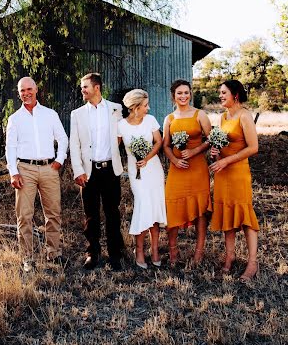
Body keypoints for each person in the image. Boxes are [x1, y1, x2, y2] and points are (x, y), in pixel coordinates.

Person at [6, 77, 68, 270]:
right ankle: (27, 258)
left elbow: (63, 138)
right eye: (22, 90)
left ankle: (54, 252)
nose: (26, 93)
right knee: (24, 215)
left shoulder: (50, 114)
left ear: (36, 89)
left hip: (49, 168)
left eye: (29, 89)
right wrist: (13, 173)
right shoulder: (14, 119)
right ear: (19, 93)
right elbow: (10, 148)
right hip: (25, 170)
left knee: (53, 213)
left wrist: (59, 160)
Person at [70, 73, 124, 271]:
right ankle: (92, 253)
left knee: (113, 213)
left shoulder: (115, 109)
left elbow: (119, 137)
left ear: (97, 87)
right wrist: (78, 170)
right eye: (82, 87)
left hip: (110, 169)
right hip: (89, 171)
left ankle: (115, 255)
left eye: (85, 87)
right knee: (91, 215)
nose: (82, 90)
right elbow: (74, 144)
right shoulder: (77, 114)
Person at [209, 80, 259, 281]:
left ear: (235, 94)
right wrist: (216, 154)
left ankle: (252, 263)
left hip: (238, 173)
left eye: (224, 92)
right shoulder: (222, 117)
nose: (220, 96)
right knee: (227, 215)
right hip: (222, 173)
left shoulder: (244, 116)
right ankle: (229, 257)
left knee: (245, 215)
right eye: (220, 92)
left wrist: (228, 160)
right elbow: (221, 144)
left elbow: (253, 147)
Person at [163, 79, 212, 265]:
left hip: (197, 168)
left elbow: (210, 140)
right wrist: (174, 160)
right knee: (173, 206)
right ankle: (173, 252)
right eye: (179, 93)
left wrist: (194, 151)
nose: (183, 96)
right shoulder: (170, 118)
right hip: (177, 170)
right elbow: (166, 145)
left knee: (200, 210)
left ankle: (198, 253)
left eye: (186, 92)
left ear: (190, 93)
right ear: (173, 96)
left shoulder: (200, 115)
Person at [117, 89, 167, 269]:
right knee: (142, 206)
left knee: (154, 207)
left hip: (153, 168)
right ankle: (139, 251)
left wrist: (147, 158)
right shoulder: (121, 125)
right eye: (145, 105)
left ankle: (154, 250)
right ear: (136, 107)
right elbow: (115, 147)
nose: (148, 108)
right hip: (135, 172)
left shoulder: (151, 120)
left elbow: (159, 142)